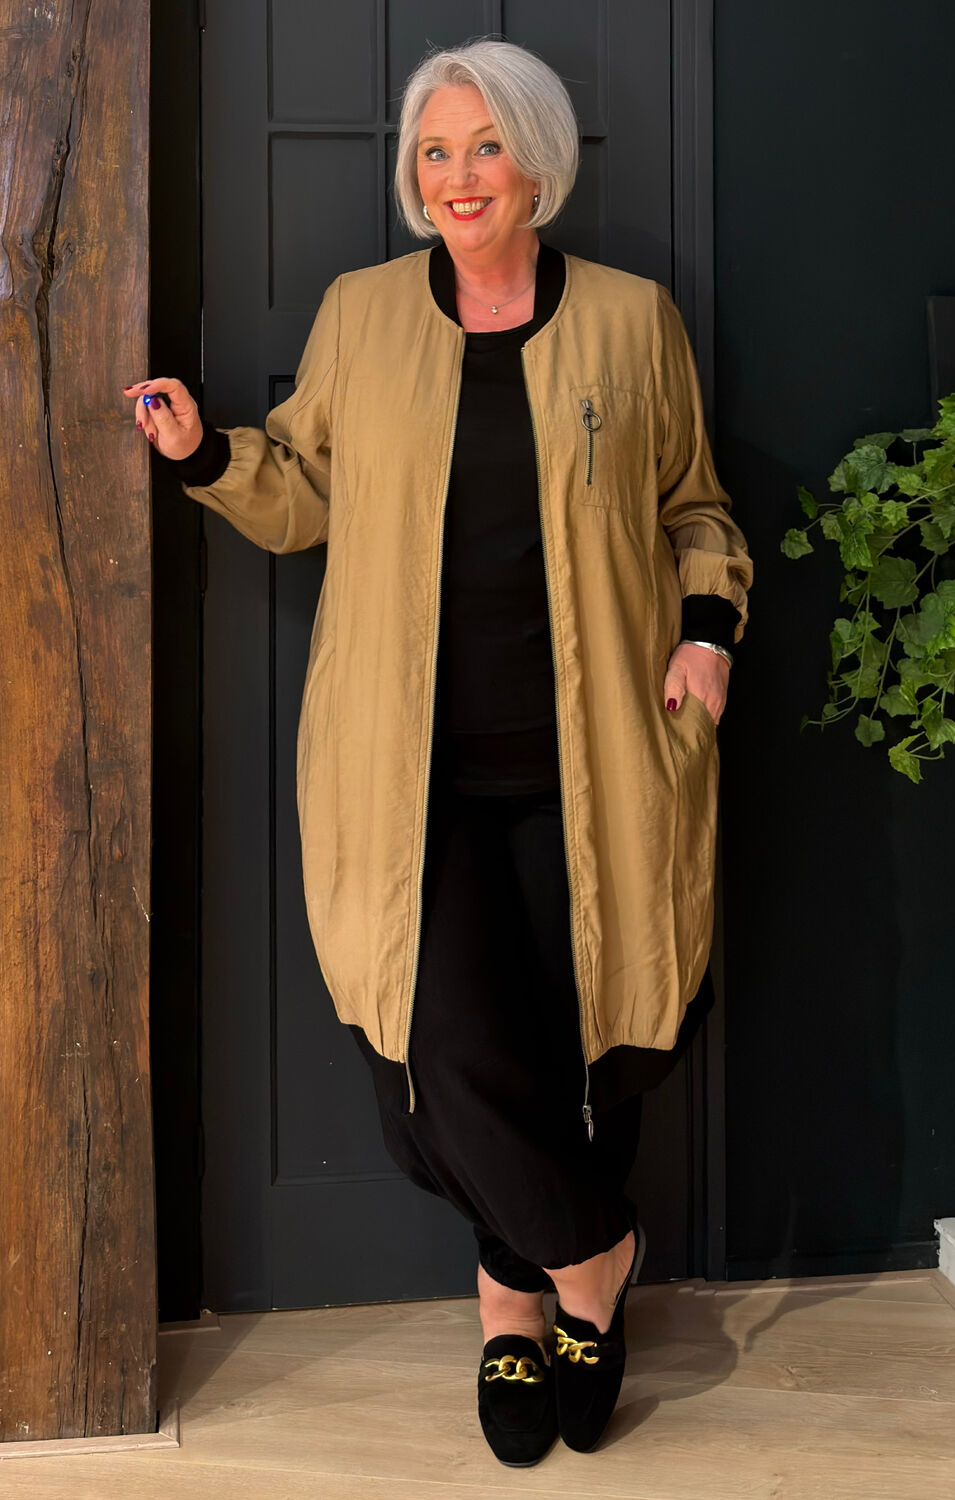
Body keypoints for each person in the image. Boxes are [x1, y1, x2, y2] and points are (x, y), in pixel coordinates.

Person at [123, 36, 752, 1466]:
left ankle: (522, 1318)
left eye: (483, 146)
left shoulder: (631, 321)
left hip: (600, 758)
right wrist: (205, 455)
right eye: (433, 152)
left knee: (581, 1053)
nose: (457, 177)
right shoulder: (362, 316)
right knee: (447, 1058)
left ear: (538, 162)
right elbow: (304, 490)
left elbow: (697, 509)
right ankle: (593, 1261)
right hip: (410, 771)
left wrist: (709, 636)